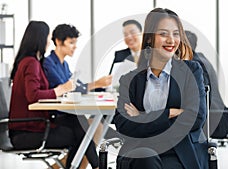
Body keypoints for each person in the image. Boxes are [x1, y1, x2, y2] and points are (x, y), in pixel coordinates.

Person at [114, 8, 207, 169]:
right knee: (145, 158)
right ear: (150, 38)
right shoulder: (130, 80)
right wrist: (170, 113)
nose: (171, 40)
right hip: (140, 149)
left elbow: (196, 118)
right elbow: (123, 124)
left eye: (176, 34)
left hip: (177, 150)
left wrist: (143, 117)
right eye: (163, 34)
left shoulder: (191, 71)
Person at [8, 21, 100, 169]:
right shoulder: (31, 63)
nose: (48, 43)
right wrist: (61, 89)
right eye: (47, 38)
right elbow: (33, 95)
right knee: (79, 133)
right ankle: (98, 166)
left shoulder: (30, 62)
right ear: (40, 38)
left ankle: (96, 166)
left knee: (78, 123)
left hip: (30, 127)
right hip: (26, 133)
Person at [42, 23, 111, 169]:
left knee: (83, 128)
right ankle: (97, 166)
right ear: (59, 42)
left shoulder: (64, 65)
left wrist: (97, 86)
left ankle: (92, 166)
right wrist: (96, 83)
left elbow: (77, 86)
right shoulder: (48, 63)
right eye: (71, 42)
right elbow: (67, 90)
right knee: (81, 130)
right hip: (56, 116)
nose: (75, 46)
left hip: (68, 115)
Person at [184, 30, 228, 139]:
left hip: (214, 121)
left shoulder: (196, 64)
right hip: (218, 117)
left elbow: (202, 96)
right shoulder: (200, 58)